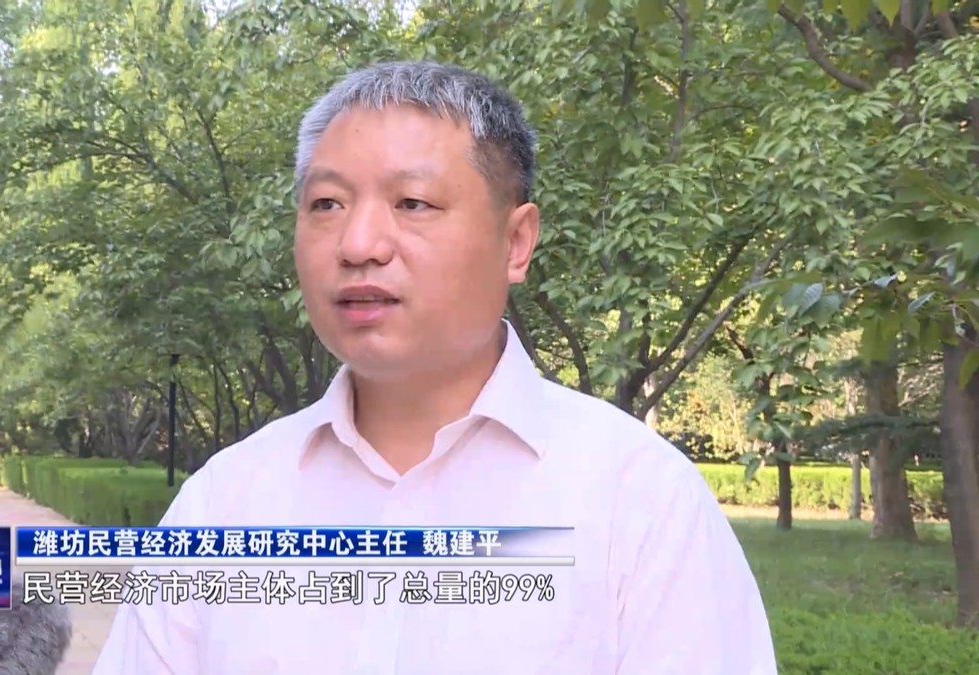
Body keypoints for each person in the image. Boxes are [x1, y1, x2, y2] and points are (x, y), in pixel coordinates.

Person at [93, 60, 777, 674]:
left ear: (516, 241)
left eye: (412, 203)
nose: (359, 243)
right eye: (327, 204)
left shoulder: (639, 500)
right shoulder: (223, 505)